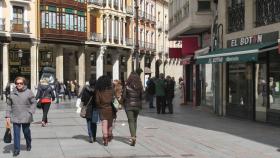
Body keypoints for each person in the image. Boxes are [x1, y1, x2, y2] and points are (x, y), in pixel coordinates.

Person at [5, 76, 36, 157]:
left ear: (24, 84)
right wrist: (7, 116)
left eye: (21, 83)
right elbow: (8, 105)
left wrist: (30, 112)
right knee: (16, 134)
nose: (19, 84)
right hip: (15, 116)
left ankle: (28, 143)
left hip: (26, 116)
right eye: (17, 83)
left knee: (26, 132)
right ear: (15, 84)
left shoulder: (29, 92)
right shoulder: (12, 93)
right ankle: (16, 150)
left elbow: (34, 102)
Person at [122, 72, 143, 146]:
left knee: (131, 121)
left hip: (129, 105)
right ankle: (134, 135)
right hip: (137, 105)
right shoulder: (140, 86)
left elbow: (124, 96)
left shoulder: (127, 86)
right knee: (135, 121)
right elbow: (142, 96)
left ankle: (133, 137)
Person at [95, 75, 114, 146]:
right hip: (110, 109)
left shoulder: (98, 90)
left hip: (102, 109)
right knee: (110, 124)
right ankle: (109, 134)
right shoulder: (111, 89)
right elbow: (113, 99)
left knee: (104, 123)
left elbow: (97, 101)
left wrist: (100, 106)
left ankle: (105, 139)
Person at [80, 78, 97, 143]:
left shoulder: (85, 90)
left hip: (87, 109)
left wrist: (81, 106)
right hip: (95, 108)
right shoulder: (97, 91)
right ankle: (94, 136)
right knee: (94, 123)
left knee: (89, 123)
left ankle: (91, 136)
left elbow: (82, 99)